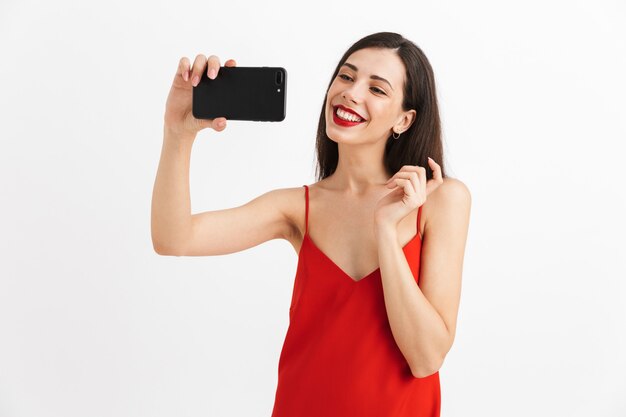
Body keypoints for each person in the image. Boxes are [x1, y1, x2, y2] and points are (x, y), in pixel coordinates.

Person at [152, 31, 471, 417]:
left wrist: (386, 231)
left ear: (405, 119)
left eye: (377, 88)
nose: (351, 93)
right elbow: (174, 238)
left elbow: (426, 359)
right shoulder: (298, 208)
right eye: (346, 77)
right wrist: (177, 133)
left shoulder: (440, 200)